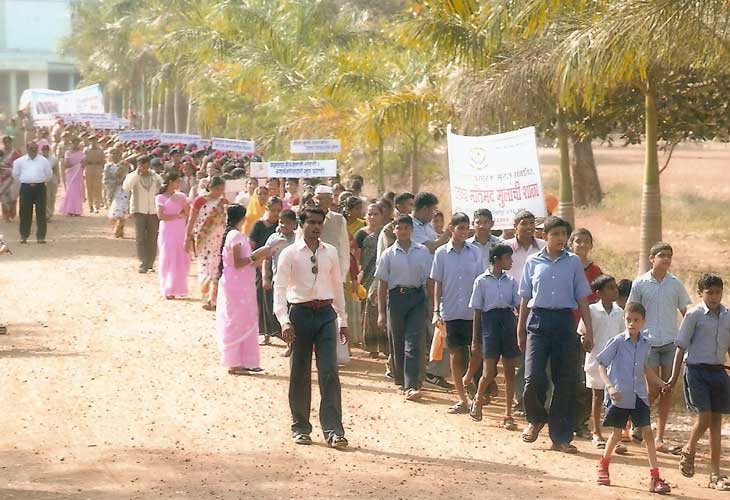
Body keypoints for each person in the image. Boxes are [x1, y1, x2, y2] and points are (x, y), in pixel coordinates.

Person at [273, 206, 349, 449]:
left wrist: (343, 319)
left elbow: (337, 286)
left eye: (319, 223)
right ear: (302, 224)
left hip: (326, 314)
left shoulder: (331, 252)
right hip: (300, 314)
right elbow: (279, 288)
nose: (316, 227)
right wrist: (284, 320)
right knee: (300, 372)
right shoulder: (290, 253)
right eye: (311, 222)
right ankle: (300, 427)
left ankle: (334, 430)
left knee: (329, 372)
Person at [518, 216, 594, 454]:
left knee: (565, 381)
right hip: (538, 321)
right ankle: (535, 419)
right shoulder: (532, 262)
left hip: (564, 322)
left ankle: (561, 437)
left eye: (564, 234)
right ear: (545, 236)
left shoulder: (573, 262)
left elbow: (582, 298)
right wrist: (520, 329)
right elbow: (525, 296)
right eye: (555, 234)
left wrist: (588, 330)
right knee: (533, 377)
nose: (561, 239)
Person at [595, 302, 671, 494]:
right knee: (616, 435)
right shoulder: (618, 341)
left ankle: (655, 477)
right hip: (620, 395)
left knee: (648, 433)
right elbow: (601, 364)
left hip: (639, 395)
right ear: (624, 320)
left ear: (643, 322)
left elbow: (645, 368)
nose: (632, 324)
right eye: (628, 320)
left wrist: (661, 383)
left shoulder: (646, 343)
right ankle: (603, 465)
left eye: (636, 320)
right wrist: (610, 387)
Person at [668, 273, 730, 490]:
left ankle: (715, 475)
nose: (714, 297)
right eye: (709, 292)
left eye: (718, 292)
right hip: (696, 371)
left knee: (716, 424)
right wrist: (673, 377)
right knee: (704, 418)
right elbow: (681, 347)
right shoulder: (694, 315)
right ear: (700, 293)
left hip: (718, 372)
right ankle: (689, 448)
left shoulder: (727, 316)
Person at [628, 242, 691, 452]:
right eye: (661, 255)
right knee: (653, 389)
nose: (665, 259)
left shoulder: (676, 284)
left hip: (671, 343)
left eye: (668, 255)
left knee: (668, 390)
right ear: (651, 258)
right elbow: (631, 311)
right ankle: (637, 421)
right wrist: (632, 336)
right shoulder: (640, 283)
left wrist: (689, 335)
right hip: (648, 343)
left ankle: (660, 437)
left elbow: (685, 312)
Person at [375, 215, 433, 401]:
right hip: (396, 299)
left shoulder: (422, 251)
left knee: (413, 342)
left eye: (406, 228)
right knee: (397, 341)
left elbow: (429, 280)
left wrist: (433, 304)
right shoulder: (388, 254)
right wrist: (381, 313)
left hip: (417, 298)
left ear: (412, 230)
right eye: (399, 228)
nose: (403, 231)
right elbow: (382, 284)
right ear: (394, 230)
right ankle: (401, 379)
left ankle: (412, 384)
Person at [431, 213, 483, 413]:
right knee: (455, 355)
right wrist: (436, 310)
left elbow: (481, 281)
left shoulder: (475, 252)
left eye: (466, 228)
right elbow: (438, 283)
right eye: (460, 227)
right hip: (451, 311)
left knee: (476, 352)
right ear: (451, 228)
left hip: (472, 312)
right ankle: (463, 399)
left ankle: (472, 385)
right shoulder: (441, 253)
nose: (464, 232)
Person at [216, 204, 273, 375]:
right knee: (237, 320)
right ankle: (234, 362)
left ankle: (247, 360)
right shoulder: (235, 236)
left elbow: (246, 262)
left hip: (243, 284)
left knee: (247, 318)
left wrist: (262, 256)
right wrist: (257, 255)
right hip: (237, 286)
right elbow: (238, 262)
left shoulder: (236, 235)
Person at [468, 244, 520, 428]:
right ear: (497, 259)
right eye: (507, 258)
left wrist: (520, 329)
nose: (511, 262)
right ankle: (478, 399)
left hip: (508, 321)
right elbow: (477, 311)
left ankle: (508, 414)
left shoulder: (511, 281)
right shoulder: (481, 281)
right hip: (489, 322)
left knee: (510, 371)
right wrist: (475, 339)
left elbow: (517, 305)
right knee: (489, 370)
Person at [504, 209, 546, 416]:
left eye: (531, 223)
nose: (529, 227)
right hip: (510, 311)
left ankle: (532, 401)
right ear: (515, 226)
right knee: (516, 357)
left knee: (534, 358)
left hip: (537, 310)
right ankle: (518, 399)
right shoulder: (505, 248)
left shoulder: (544, 248)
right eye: (524, 223)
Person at [578, 275, 626, 451]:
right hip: (596, 360)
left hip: (615, 362)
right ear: (599, 293)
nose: (615, 291)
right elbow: (582, 332)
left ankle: (615, 436)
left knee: (615, 399)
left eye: (615, 287)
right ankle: (597, 433)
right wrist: (585, 341)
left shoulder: (620, 312)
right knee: (597, 397)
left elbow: (623, 336)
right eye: (610, 288)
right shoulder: (591, 311)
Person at [410, 192, 452, 390]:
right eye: (433, 210)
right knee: (426, 329)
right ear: (425, 208)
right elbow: (431, 247)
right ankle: (425, 372)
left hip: (432, 282)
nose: (434, 214)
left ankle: (432, 371)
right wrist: (448, 234)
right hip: (418, 284)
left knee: (434, 328)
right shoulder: (411, 226)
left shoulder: (426, 226)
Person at [186, 176, 228, 311]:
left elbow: (225, 221)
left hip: (219, 239)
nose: (219, 192)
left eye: (222, 189)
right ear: (210, 187)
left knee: (215, 267)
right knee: (204, 267)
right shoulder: (199, 201)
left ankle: (213, 299)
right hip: (202, 238)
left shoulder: (223, 202)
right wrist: (187, 237)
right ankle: (205, 296)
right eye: (217, 189)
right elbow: (192, 220)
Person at [262, 208, 298, 356]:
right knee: (280, 312)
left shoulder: (298, 239)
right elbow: (266, 258)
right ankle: (288, 343)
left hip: (295, 282)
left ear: (294, 224)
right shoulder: (274, 239)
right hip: (278, 280)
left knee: (292, 313)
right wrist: (265, 277)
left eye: (287, 223)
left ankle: (292, 346)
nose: (283, 226)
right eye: (281, 222)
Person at [249, 196, 283, 344]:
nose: (276, 213)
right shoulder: (258, 225)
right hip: (259, 265)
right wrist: (257, 262)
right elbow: (252, 246)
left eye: (278, 210)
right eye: (273, 210)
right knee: (261, 298)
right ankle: (265, 333)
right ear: (267, 209)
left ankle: (279, 330)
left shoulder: (280, 226)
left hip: (277, 265)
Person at [355, 202, 387, 359]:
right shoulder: (361, 234)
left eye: (376, 214)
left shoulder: (386, 233)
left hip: (382, 275)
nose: (372, 217)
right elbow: (356, 256)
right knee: (368, 311)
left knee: (382, 309)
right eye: (370, 214)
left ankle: (385, 346)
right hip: (366, 275)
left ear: (382, 216)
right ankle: (371, 346)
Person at [123, 155, 163, 273]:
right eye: (141, 166)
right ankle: (142, 262)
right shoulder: (132, 176)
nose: (144, 169)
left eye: (146, 166)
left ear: (149, 165)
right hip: (139, 210)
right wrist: (136, 174)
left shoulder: (156, 177)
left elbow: (162, 189)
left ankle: (150, 263)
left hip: (153, 211)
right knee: (140, 237)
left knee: (152, 237)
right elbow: (126, 187)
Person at [155, 171, 191, 299]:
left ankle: (178, 288)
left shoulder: (181, 196)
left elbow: (187, 212)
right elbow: (161, 216)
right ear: (171, 181)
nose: (179, 183)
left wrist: (183, 207)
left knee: (180, 257)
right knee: (168, 257)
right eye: (177, 181)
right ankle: (167, 288)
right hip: (167, 230)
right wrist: (177, 216)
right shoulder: (160, 197)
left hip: (180, 229)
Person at [12, 142, 52, 244]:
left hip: (40, 188)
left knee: (41, 212)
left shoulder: (44, 161)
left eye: (35, 148)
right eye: (31, 148)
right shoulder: (19, 161)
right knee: (25, 212)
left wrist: (39, 180)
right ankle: (24, 236)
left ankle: (41, 237)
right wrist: (26, 181)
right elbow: (15, 175)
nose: (33, 150)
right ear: (27, 149)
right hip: (26, 188)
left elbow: (49, 175)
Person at [58, 137, 85, 216]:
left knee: (77, 191)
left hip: (78, 175)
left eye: (77, 143)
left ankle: (77, 210)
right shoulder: (68, 153)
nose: (76, 145)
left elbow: (83, 164)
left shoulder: (81, 153)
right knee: (70, 190)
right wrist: (75, 165)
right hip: (70, 174)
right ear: (71, 144)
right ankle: (69, 209)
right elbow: (66, 164)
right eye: (74, 143)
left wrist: (80, 165)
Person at [0, 135, 22, 222]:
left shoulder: (15, 153)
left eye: (8, 142)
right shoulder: (1, 152)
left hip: (13, 177)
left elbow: (19, 165)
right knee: (3, 196)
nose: (6, 144)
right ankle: (6, 215)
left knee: (12, 196)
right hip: (2, 177)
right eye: (5, 142)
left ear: (11, 142)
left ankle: (11, 213)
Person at [84, 135, 105, 212]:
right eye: (92, 140)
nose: (93, 142)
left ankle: (97, 205)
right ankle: (90, 205)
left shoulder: (100, 150)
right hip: (89, 167)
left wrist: (102, 170)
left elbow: (103, 161)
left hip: (98, 167)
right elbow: (84, 161)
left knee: (97, 187)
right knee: (89, 187)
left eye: (95, 140)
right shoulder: (86, 150)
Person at [40, 143, 59, 222]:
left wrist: (57, 179)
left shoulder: (53, 159)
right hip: (43, 180)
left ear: (48, 151)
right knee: (46, 197)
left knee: (52, 197)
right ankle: (46, 214)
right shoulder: (39, 159)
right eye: (43, 150)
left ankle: (51, 212)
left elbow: (56, 170)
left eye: (46, 150)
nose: (45, 151)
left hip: (52, 180)